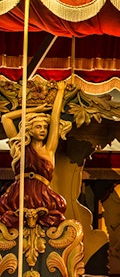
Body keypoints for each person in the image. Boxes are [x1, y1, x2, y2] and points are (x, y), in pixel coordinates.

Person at [0, 80, 70, 229]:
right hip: (19, 194)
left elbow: (55, 120)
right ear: (29, 130)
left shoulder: (49, 149)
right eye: (38, 127)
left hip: (42, 196)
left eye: (45, 127)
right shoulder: (21, 147)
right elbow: (6, 118)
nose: (43, 130)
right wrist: (34, 110)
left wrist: (60, 93)